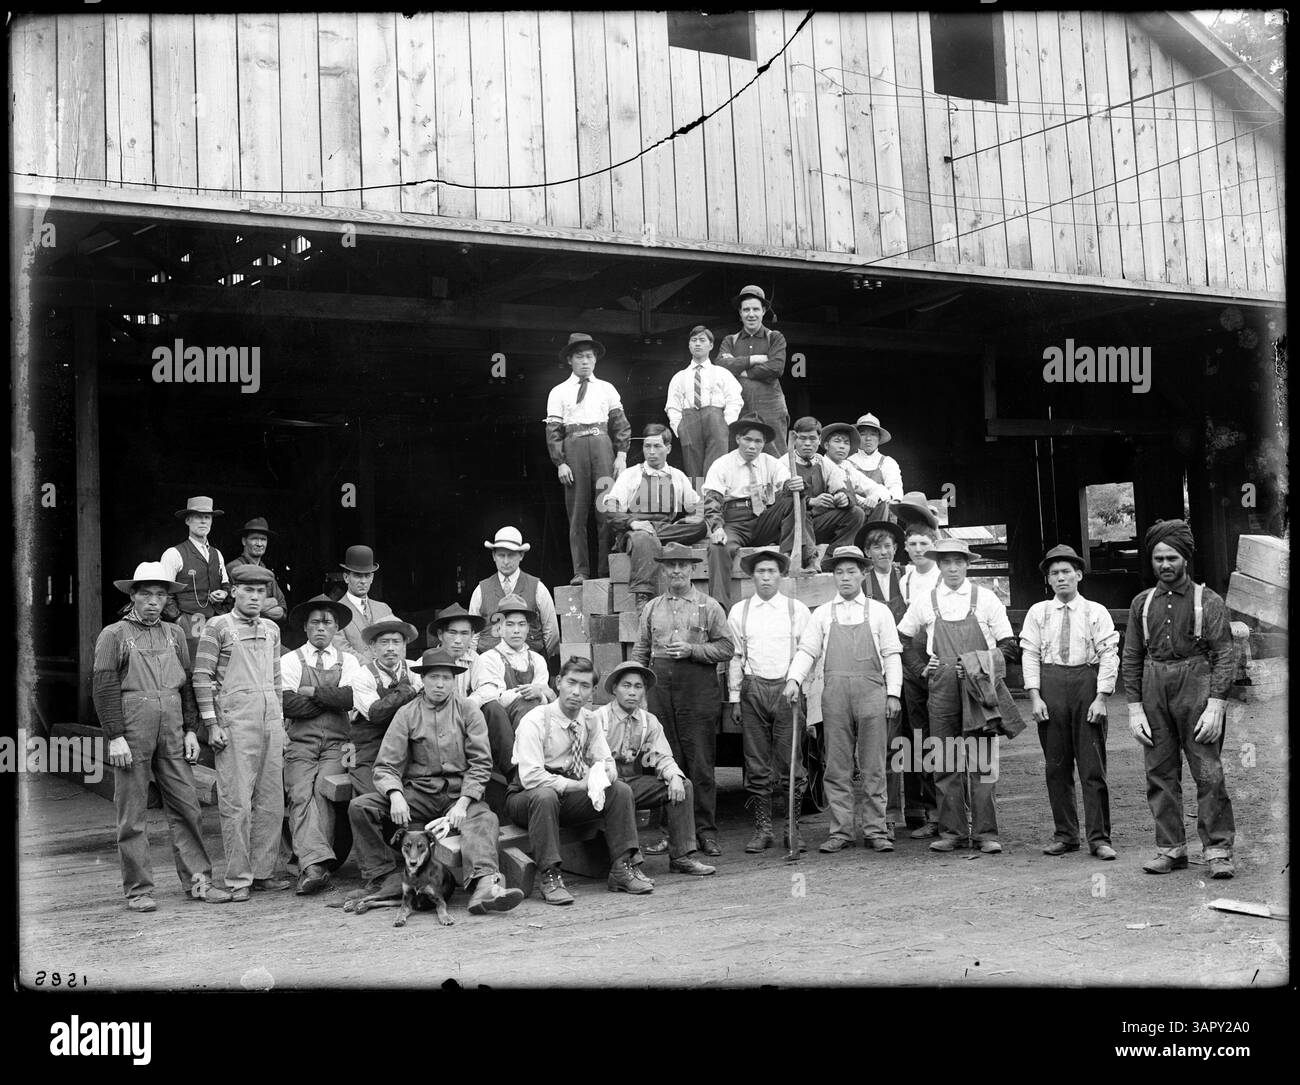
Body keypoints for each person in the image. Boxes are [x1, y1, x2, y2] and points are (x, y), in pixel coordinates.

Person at [94, 562, 233, 911]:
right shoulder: (113, 635)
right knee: (132, 814)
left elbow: (185, 687)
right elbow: (104, 687)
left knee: (188, 807)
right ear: (133, 596)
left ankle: (199, 882)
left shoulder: (174, 635)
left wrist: (190, 730)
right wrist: (115, 736)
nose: (154, 602)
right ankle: (139, 890)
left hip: (172, 729)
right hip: (132, 729)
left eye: (160, 595)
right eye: (146, 594)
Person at [347, 648, 526, 915]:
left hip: (458, 794)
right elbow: (385, 764)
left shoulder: (468, 710)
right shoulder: (407, 713)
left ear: (454, 681)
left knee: (485, 819)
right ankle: (382, 877)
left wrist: (463, 804)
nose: (440, 684)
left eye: (446, 678)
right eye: (433, 678)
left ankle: (484, 886)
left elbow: (481, 763)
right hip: (417, 794)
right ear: (423, 680)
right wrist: (395, 795)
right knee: (361, 807)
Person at [1122, 520, 1236, 878]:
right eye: (1158, 558)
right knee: (1158, 772)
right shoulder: (1142, 603)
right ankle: (1171, 849)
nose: (1165, 564)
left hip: (1197, 687)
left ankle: (1217, 850)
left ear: (1185, 558)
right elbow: (1132, 657)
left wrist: (1217, 704)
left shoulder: (1209, 601)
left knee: (1208, 771)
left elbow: (1225, 654)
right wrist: (1134, 708)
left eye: (1171, 557)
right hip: (1154, 688)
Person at [896, 539, 1020, 855]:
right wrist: (922, 668)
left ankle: (985, 834)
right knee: (945, 759)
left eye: (958, 562)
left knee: (981, 761)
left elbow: (1009, 645)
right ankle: (951, 832)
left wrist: (981, 664)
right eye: (947, 562)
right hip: (941, 689)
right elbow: (903, 639)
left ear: (967, 564)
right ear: (938, 565)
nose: (952, 568)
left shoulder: (986, 598)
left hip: (978, 689)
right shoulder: (926, 600)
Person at [785, 546, 903, 853]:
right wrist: (794, 679)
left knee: (873, 765)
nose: (845, 578)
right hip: (835, 696)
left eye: (851, 571)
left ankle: (876, 830)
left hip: (871, 693)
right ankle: (841, 831)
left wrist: (893, 694)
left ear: (863, 574)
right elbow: (807, 651)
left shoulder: (879, 612)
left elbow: (891, 655)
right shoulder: (823, 613)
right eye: (839, 572)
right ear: (833, 576)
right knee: (836, 766)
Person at [507, 657, 652, 905]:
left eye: (585, 686)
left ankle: (621, 867)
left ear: (592, 691)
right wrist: (578, 785)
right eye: (571, 683)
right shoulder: (536, 720)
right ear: (558, 682)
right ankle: (550, 875)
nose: (576, 692)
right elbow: (530, 777)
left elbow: (606, 761)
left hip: (567, 795)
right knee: (545, 795)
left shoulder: (589, 719)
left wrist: (601, 775)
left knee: (620, 790)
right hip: (526, 797)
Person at [191, 564, 293, 900]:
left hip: (269, 724)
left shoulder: (272, 630)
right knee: (237, 803)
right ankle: (238, 878)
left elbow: (277, 681)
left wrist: (279, 723)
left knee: (271, 802)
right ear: (234, 591)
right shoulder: (217, 626)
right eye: (247, 590)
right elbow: (201, 677)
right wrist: (211, 724)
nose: (254, 596)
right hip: (234, 724)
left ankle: (263, 872)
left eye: (260, 591)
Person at [631, 542, 733, 856]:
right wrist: (637, 696)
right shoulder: (652, 608)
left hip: (698, 688)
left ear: (693, 569)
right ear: (663, 569)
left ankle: (705, 832)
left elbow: (727, 648)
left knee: (700, 762)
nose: (676, 571)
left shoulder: (709, 605)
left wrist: (694, 651)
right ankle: (667, 833)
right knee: (664, 761)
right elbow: (640, 653)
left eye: (682, 565)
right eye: (670, 565)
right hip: (660, 689)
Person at [1020, 544, 1120, 861]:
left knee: (1092, 767)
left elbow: (1108, 655)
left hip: (1086, 685)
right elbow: (1030, 655)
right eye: (1054, 573)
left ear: (1078, 574)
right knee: (1056, 767)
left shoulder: (1095, 612)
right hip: (1051, 686)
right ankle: (1065, 834)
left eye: (1066, 572)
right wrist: (1034, 696)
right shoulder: (1038, 613)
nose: (1061, 578)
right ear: (1048, 580)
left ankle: (1099, 838)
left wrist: (1102, 697)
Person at [279, 595, 378, 893]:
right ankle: (316, 864)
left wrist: (309, 692)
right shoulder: (289, 660)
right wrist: (328, 698)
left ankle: (312, 865)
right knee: (299, 792)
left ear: (336, 628)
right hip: (299, 744)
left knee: (324, 789)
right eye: (315, 623)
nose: (321, 628)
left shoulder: (349, 661)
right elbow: (287, 704)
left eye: (327, 622)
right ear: (306, 628)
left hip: (340, 745)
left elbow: (349, 698)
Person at [592, 662, 716, 876]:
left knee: (682, 785)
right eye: (626, 686)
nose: (632, 692)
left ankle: (681, 857)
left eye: (638, 687)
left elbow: (660, 756)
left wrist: (674, 776)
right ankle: (630, 862)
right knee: (621, 791)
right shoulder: (598, 718)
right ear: (614, 689)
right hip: (603, 787)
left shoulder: (648, 722)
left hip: (631, 782)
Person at [727, 547, 812, 853]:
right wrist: (736, 698)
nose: (765, 577)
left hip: (787, 691)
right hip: (753, 690)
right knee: (756, 763)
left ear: (781, 576)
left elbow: (807, 651)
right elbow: (735, 656)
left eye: (771, 571)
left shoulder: (796, 610)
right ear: (752, 577)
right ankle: (763, 829)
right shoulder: (739, 611)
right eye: (760, 572)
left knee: (792, 763)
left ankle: (793, 829)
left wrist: (796, 681)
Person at [545, 332, 632, 584]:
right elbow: (553, 430)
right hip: (573, 448)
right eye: (580, 357)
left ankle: (606, 569)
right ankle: (581, 571)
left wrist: (622, 454)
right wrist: (560, 462)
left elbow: (620, 423)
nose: (585, 361)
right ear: (570, 360)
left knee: (606, 509)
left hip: (602, 443)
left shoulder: (607, 388)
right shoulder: (558, 392)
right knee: (577, 513)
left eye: (590, 356)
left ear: (596, 360)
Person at [702, 413, 810, 611]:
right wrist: (717, 527)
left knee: (794, 497)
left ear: (764, 443)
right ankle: (719, 608)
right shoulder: (722, 464)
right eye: (748, 439)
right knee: (718, 547)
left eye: (758, 441)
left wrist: (794, 484)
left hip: (763, 520)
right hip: (734, 523)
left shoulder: (770, 462)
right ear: (738, 439)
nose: (752, 446)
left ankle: (789, 558)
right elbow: (712, 500)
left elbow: (785, 484)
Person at [603, 423, 707, 610]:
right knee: (644, 538)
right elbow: (610, 509)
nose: (651, 451)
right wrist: (632, 522)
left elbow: (697, 507)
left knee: (700, 526)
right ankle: (643, 596)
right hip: (635, 533)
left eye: (657, 446)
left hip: (664, 529)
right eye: (647, 446)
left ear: (668, 448)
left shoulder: (677, 476)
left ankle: (657, 536)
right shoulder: (630, 474)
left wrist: (686, 521)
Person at [860, 521, 909, 839]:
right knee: (885, 744)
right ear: (868, 552)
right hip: (878, 669)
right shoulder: (861, 582)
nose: (884, 551)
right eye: (877, 546)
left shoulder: (908, 578)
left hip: (911, 663)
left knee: (915, 738)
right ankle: (887, 815)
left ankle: (920, 809)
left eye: (888, 545)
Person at [897, 518, 943, 835]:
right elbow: (907, 633)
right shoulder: (907, 580)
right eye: (912, 545)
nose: (917, 550)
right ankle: (931, 812)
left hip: (944, 659)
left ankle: (959, 812)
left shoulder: (944, 577)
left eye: (923, 544)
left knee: (951, 737)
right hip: (916, 662)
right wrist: (916, 668)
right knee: (919, 738)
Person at [350, 619, 422, 796]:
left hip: (407, 742)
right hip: (367, 747)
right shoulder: (362, 674)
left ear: (404, 646)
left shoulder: (416, 668)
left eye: (396, 642)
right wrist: (410, 690)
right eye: (384, 642)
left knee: (417, 788)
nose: (391, 648)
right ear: (373, 647)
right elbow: (377, 713)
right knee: (372, 795)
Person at [716, 285, 789, 456]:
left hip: (770, 405)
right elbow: (720, 365)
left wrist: (742, 370)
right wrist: (753, 360)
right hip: (739, 405)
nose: (751, 314)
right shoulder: (730, 340)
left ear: (764, 311)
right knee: (737, 455)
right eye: (746, 309)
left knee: (776, 454)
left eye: (756, 309)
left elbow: (776, 367)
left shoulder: (775, 337)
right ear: (740, 313)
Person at [664, 325, 743, 481]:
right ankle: (699, 505)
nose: (697, 344)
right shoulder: (679, 376)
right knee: (693, 470)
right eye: (694, 340)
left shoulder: (722, 373)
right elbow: (672, 406)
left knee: (716, 467)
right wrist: (679, 427)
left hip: (716, 421)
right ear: (689, 345)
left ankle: (714, 504)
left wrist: (726, 424)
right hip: (689, 421)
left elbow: (735, 400)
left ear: (711, 345)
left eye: (702, 340)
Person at [468, 527, 560, 657]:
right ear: (494, 556)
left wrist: (537, 658)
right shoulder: (480, 590)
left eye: (511, 555)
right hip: (490, 670)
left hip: (529, 668)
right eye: (501, 555)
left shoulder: (538, 588)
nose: (506, 561)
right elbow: (473, 635)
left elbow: (551, 632)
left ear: (521, 555)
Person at [160, 495, 231, 661]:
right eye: (198, 517)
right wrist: (178, 619)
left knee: (217, 667)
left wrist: (224, 594)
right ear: (187, 521)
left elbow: (227, 585)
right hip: (188, 621)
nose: (203, 522)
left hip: (215, 621)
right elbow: (163, 592)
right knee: (191, 669)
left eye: (207, 517)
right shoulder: (174, 554)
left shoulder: (217, 554)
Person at [789, 416, 865, 567]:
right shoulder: (785, 462)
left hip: (818, 523)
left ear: (819, 440)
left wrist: (843, 498)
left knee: (856, 513)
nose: (807, 443)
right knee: (800, 510)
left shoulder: (824, 464)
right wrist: (811, 502)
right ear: (795, 440)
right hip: (793, 526)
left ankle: (829, 559)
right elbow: (779, 502)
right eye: (802, 438)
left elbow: (843, 489)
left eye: (812, 438)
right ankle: (810, 559)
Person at [333, 545, 397, 661]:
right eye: (357, 575)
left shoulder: (384, 609)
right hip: (354, 675)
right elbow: (341, 648)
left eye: (367, 576)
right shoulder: (336, 611)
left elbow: (396, 642)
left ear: (372, 578)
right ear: (346, 577)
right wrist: (372, 668)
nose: (363, 581)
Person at [224, 517, 286, 621]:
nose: (259, 544)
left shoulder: (266, 571)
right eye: (254, 539)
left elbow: (282, 609)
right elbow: (234, 606)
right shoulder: (234, 568)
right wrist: (271, 602)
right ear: (244, 541)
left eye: (263, 539)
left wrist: (258, 606)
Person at [847, 414, 904, 522]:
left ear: (879, 438)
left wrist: (878, 497)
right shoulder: (848, 463)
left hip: (883, 513)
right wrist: (864, 501)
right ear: (857, 437)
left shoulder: (888, 462)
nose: (868, 439)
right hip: (856, 514)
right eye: (863, 434)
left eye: (873, 434)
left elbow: (895, 487)